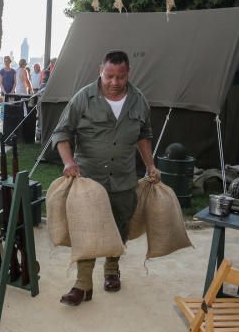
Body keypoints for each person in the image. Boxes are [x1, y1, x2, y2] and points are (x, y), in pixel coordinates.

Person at [52, 50, 159, 307]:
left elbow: (144, 135)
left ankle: (112, 270)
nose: (114, 82)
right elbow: (61, 132)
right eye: (109, 75)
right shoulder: (84, 98)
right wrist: (68, 162)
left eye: (120, 77)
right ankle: (82, 285)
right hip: (89, 179)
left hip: (123, 179)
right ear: (101, 70)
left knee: (120, 225)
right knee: (87, 229)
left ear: (128, 74)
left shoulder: (138, 100)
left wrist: (150, 166)